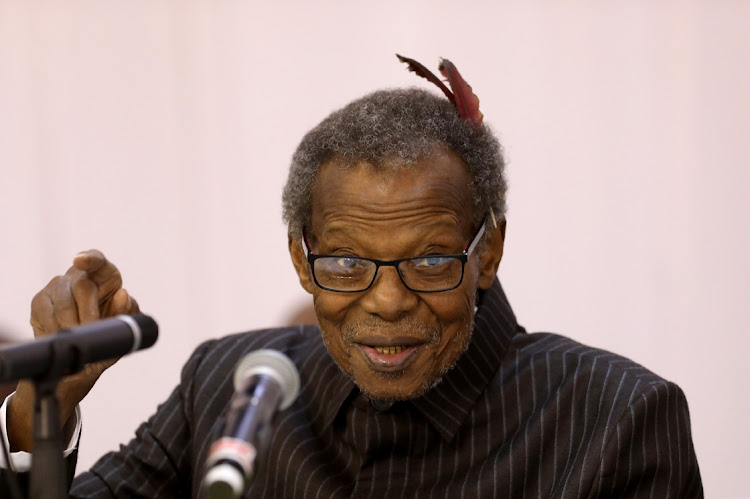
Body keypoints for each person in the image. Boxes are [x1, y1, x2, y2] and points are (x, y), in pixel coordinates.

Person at [1, 56, 702, 497]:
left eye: (430, 260)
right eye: (345, 263)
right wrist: (43, 414)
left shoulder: (617, 417)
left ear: (487, 251)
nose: (389, 299)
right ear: (301, 260)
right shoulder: (230, 385)